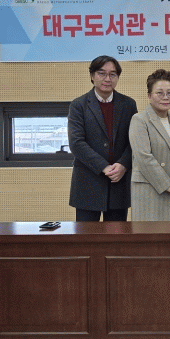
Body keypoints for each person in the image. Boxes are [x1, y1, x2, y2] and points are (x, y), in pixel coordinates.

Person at [68, 55, 138, 221]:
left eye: (112, 74)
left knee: (117, 235)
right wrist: (104, 167)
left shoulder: (128, 104)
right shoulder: (79, 105)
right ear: (92, 76)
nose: (107, 79)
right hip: (88, 182)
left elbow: (135, 140)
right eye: (102, 73)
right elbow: (77, 143)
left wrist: (123, 165)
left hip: (119, 182)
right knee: (86, 234)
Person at [129, 69, 170, 221]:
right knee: (150, 235)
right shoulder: (139, 120)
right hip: (150, 191)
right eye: (160, 93)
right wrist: (168, 185)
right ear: (149, 95)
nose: (165, 97)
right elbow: (143, 157)